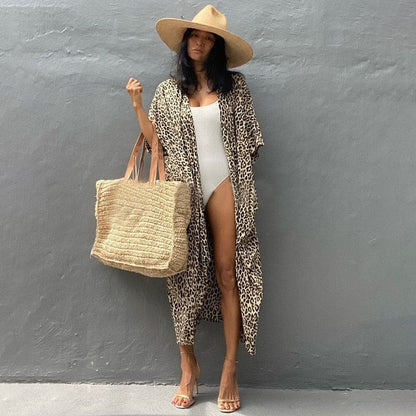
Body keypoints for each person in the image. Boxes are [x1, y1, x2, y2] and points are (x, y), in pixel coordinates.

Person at [126, 5, 264, 413]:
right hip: (183, 190)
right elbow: (157, 145)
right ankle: (188, 367)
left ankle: (229, 368)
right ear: (185, 42)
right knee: (182, 277)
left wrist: (237, 182)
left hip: (225, 184)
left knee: (227, 273)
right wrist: (138, 105)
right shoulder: (168, 91)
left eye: (208, 38)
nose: (199, 42)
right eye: (194, 36)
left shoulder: (236, 87)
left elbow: (249, 142)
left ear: (217, 47)